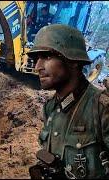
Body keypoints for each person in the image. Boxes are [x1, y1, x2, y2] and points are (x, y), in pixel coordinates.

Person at [27, 24, 109, 179]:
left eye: (47, 57)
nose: (37, 66)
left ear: (73, 62)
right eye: (38, 58)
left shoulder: (101, 108)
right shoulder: (50, 108)